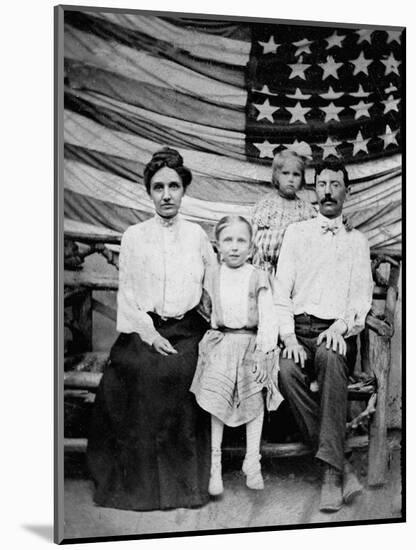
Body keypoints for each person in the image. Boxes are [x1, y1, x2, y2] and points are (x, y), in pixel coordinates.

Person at [87, 147, 217, 511]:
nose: (166, 195)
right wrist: (152, 334)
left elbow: (217, 286)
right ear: (149, 191)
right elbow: (127, 295)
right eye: (158, 187)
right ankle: (138, 487)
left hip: (189, 329)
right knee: (138, 371)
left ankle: (183, 487)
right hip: (144, 327)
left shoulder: (196, 236)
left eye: (174, 186)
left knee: (181, 371)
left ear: (184, 191)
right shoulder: (134, 236)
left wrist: (219, 326)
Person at [274, 159, 373, 513]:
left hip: (336, 331)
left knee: (331, 357)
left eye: (335, 184)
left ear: (347, 191)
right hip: (298, 332)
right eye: (322, 184)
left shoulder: (357, 242)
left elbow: (361, 298)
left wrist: (341, 326)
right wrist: (287, 336)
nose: (328, 190)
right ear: (314, 192)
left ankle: (330, 478)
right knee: (285, 371)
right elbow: (280, 291)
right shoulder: (296, 234)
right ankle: (341, 465)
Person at [190, 215, 281, 496]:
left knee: (254, 392)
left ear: (251, 248)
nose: (234, 247)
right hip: (223, 342)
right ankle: (214, 465)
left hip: (252, 344)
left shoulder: (257, 276)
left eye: (241, 240)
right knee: (216, 396)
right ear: (217, 246)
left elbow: (268, 318)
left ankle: (252, 461)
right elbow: (208, 311)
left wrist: (264, 352)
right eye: (227, 240)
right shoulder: (213, 275)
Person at [251, 150, 317, 277]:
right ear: (276, 176)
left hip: (295, 274)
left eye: (296, 175)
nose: (291, 179)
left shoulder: (308, 211)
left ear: (302, 179)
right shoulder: (264, 207)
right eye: (285, 173)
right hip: (265, 273)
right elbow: (253, 242)